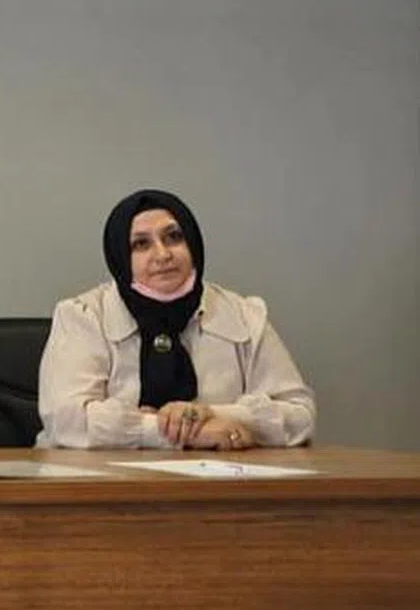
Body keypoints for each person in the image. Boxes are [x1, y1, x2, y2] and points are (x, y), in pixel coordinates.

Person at [37, 189, 315, 450]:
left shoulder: (244, 315)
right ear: (120, 256)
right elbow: (66, 421)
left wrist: (210, 414)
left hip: (219, 480)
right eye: (141, 244)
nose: (163, 254)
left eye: (174, 237)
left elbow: (300, 415)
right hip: (100, 482)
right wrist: (183, 433)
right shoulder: (83, 316)